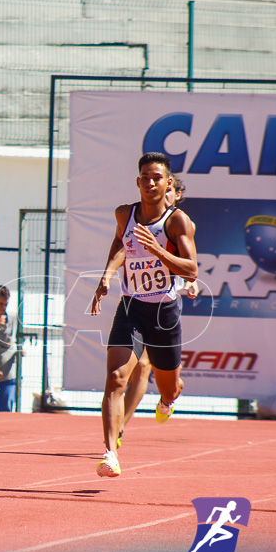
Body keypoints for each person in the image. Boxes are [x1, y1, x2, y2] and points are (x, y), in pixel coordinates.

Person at [90, 152, 197, 477]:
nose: (150, 183)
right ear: (138, 182)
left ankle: (166, 401)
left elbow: (191, 270)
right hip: (131, 307)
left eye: (157, 178)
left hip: (164, 312)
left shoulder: (178, 221)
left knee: (169, 387)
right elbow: (120, 244)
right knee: (115, 378)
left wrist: (158, 251)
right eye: (145, 178)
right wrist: (107, 275)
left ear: (168, 184)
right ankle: (111, 453)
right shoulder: (125, 214)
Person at [118, 176, 200, 447]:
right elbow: (124, 247)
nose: (161, 197)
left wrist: (192, 282)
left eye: (169, 192)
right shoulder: (139, 220)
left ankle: (169, 396)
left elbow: (189, 263)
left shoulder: (181, 223)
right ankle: (119, 427)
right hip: (138, 303)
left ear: (174, 195)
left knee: (159, 377)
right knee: (139, 366)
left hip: (165, 306)